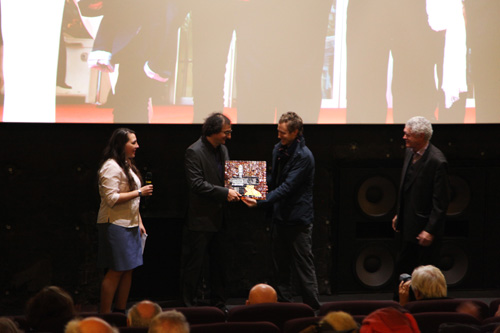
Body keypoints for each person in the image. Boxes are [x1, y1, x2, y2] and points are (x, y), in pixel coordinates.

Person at [243, 112, 320, 310]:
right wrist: (251, 188)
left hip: (298, 220)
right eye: (278, 131)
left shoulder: (304, 157)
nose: (279, 136)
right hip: (279, 217)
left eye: (283, 133)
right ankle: (286, 307)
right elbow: (273, 180)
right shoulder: (279, 149)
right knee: (280, 267)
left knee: (303, 267)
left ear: (295, 132)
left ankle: (313, 310)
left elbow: (287, 187)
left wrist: (260, 202)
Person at [181, 112, 240, 310]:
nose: (229, 137)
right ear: (213, 131)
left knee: (220, 265)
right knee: (194, 267)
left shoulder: (222, 150)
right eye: (226, 132)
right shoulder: (194, 151)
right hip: (201, 219)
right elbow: (196, 184)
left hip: (221, 218)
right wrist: (225, 193)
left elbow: (230, 177)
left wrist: (245, 191)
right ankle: (190, 306)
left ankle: (219, 303)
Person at [392, 116, 449, 299]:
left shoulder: (437, 162)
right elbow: (407, 189)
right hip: (406, 225)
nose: (404, 137)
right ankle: (400, 303)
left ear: (421, 136)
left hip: (423, 230)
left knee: (421, 275)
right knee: (402, 269)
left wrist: (429, 230)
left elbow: (440, 202)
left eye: (408, 134)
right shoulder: (410, 152)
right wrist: (398, 214)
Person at [97, 128, 153, 313]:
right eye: (133, 142)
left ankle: (120, 310)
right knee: (116, 270)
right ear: (122, 144)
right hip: (115, 224)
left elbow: (133, 202)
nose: (137, 146)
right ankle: (105, 314)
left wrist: (140, 222)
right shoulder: (110, 167)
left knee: (128, 269)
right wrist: (139, 192)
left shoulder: (126, 164)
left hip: (130, 224)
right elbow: (111, 198)